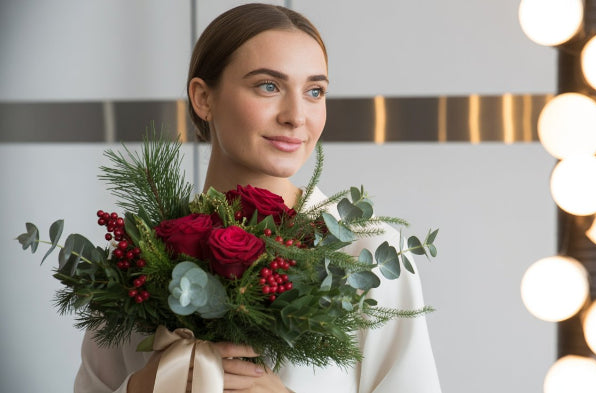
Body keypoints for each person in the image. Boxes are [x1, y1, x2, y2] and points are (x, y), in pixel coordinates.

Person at [74, 4, 441, 393]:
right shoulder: (137, 260)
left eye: (315, 91)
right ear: (203, 98)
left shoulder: (368, 253)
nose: (296, 116)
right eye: (269, 86)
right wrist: (141, 388)